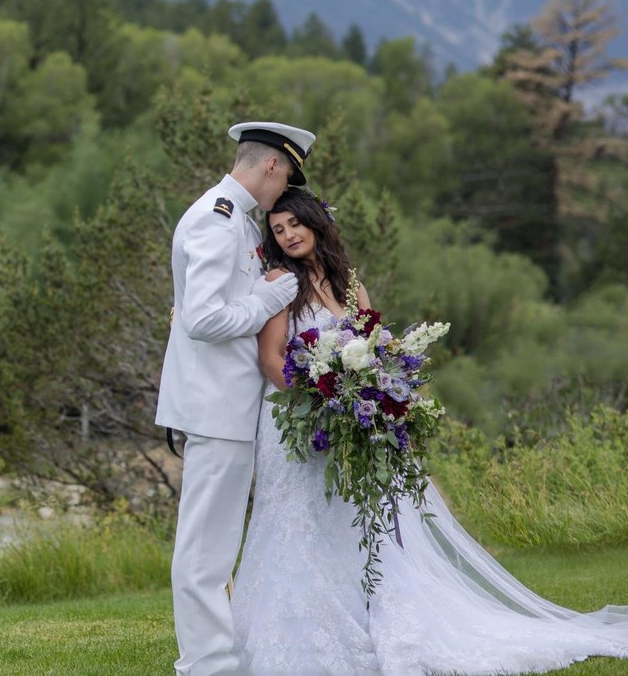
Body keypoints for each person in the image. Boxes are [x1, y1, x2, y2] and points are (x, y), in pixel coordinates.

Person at [230, 187, 628, 675]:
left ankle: (368, 615)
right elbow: (270, 358)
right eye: (278, 230)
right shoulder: (279, 283)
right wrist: (318, 399)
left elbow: (376, 346)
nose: (288, 235)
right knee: (298, 521)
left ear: (316, 223)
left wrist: (384, 390)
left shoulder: (350, 286)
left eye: (295, 224)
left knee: (349, 519)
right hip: (297, 419)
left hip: (346, 417)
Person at [156, 121, 315, 676]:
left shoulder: (237, 220)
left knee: (216, 546)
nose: (284, 189)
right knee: (204, 553)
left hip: (228, 404)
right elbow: (202, 319)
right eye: (288, 175)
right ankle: (207, 666)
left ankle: (215, 659)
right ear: (272, 164)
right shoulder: (215, 220)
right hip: (213, 405)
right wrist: (270, 295)